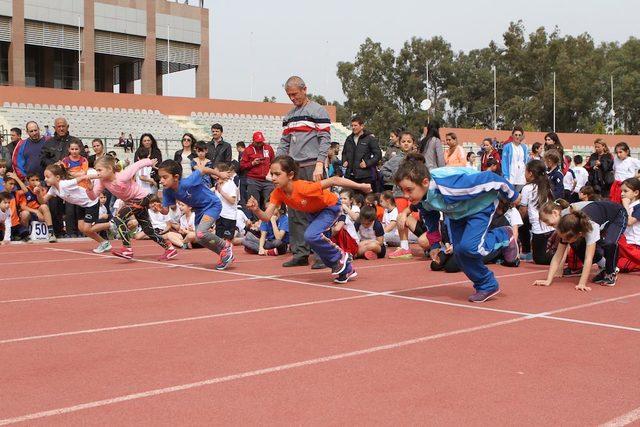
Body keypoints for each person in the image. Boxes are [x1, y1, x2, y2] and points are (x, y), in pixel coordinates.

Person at [393, 153, 520, 302]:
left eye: (409, 190)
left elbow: (490, 178)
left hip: (480, 206)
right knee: (459, 254)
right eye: (403, 190)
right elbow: (430, 216)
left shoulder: (450, 185)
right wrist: (434, 244)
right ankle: (487, 285)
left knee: (470, 248)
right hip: (457, 214)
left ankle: (504, 235)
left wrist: (512, 195)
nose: (406, 195)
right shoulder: (421, 198)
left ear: (425, 182)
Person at [247, 155, 371, 284]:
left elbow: (333, 180)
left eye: (277, 174)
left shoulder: (303, 187)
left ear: (290, 175)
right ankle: (346, 270)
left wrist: (361, 186)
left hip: (331, 207)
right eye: (272, 174)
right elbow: (266, 217)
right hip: (313, 213)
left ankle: (342, 256)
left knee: (311, 236)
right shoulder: (277, 193)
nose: (273, 178)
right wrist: (256, 209)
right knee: (315, 244)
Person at [277, 76, 332, 269]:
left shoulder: (318, 110)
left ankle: (322, 255)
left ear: (304, 89)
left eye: (295, 94)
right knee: (295, 211)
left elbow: (325, 139)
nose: (292, 98)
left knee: (317, 209)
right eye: (289, 95)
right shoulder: (289, 116)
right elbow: (284, 143)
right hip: (294, 168)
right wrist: (278, 166)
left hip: (312, 166)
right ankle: (300, 252)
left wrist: (319, 164)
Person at [84, 156, 177, 261]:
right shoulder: (102, 181)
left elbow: (136, 165)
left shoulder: (122, 176)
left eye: (100, 170)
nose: (97, 173)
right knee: (147, 229)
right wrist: (89, 189)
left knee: (118, 218)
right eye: (96, 170)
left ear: (110, 169)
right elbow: (93, 197)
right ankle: (170, 248)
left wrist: (149, 162)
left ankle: (127, 249)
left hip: (142, 198)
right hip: (133, 202)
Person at [155, 160, 235, 270]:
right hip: (199, 210)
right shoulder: (167, 191)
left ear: (176, 177)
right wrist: (160, 209)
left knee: (201, 233)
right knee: (199, 238)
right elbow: (166, 210)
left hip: (212, 205)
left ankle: (226, 246)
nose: (161, 181)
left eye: (165, 177)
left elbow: (203, 169)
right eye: (160, 178)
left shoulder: (188, 182)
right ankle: (224, 254)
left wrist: (220, 174)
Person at [537, 200, 627, 289]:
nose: (547, 225)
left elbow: (589, 257)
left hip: (617, 214)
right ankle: (604, 266)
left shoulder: (590, 227)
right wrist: (548, 280)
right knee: (575, 244)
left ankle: (610, 271)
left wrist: (582, 283)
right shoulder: (566, 224)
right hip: (595, 216)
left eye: (546, 221)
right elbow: (558, 254)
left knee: (609, 242)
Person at [39, 164, 111, 253]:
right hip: (81, 205)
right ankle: (104, 243)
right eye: (44, 177)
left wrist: (99, 176)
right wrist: (38, 193)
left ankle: (111, 224)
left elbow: (82, 177)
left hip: (91, 202)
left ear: (57, 177)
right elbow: (42, 201)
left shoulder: (65, 184)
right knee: (82, 228)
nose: (45, 179)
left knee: (87, 229)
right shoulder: (53, 189)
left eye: (47, 177)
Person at [518, 160, 555, 264]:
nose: (524, 174)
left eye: (525, 171)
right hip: (551, 226)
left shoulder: (527, 188)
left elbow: (523, 210)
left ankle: (562, 257)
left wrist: (515, 223)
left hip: (540, 229)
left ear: (530, 173)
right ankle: (527, 251)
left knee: (539, 259)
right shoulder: (547, 186)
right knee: (523, 223)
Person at [9, 172, 56, 242]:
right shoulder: (24, 191)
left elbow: (42, 202)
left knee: (44, 206)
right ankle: (25, 235)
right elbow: (23, 207)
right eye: (32, 180)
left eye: (37, 180)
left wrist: (38, 193)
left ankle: (51, 233)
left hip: (39, 213)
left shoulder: (43, 190)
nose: (35, 182)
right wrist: (36, 211)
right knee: (25, 213)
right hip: (29, 213)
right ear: (28, 181)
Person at [240, 131, 275, 212]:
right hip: (253, 180)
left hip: (268, 180)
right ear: (253, 141)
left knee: (270, 202)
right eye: (258, 142)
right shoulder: (248, 150)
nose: (260, 143)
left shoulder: (268, 148)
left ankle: (269, 221)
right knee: (254, 202)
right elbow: (241, 165)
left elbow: (274, 161)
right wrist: (252, 163)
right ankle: (256, 222)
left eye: (261, 141)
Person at [341, 117, 382, 186]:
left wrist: (367, 163)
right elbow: (344, 153)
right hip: (349, 176)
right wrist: (344, 160)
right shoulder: (349, 139)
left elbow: (378, 155)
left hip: (364, 176)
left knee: (363, 197)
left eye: (355, 125)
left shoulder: (370, 139)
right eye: (352, 126)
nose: (353, 127)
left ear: (362, 126)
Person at [617, 178, 640, 272]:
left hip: (634, 245)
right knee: (609, 262)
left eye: (625, 191)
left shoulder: (638, 206)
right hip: (624, 244)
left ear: (636, 192)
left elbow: (629, 222)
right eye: (621, 191)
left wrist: (625, 205)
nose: (622, 194)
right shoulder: (625, 205)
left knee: (621, 266)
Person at [213, 163, 239, 241]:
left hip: (229, 216)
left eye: (216, 171)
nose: (214, 173)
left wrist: (221, 191)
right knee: (219, 239)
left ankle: (243, 240)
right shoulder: (217, 184)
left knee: (228, 240)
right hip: (219, 216)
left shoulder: (230, 184)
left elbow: (232, 200)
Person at [501, 126, 528, 192]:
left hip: (521, 175)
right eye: (516, 135)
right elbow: (504, 162)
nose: (517, 137)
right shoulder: (507, 147)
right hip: (511, 175)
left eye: (519, 135)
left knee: (518, 194)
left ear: (522, 136)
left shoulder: (524, 147)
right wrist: (506, 176)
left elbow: (525, 161)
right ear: (512, 135)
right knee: (510, 194)